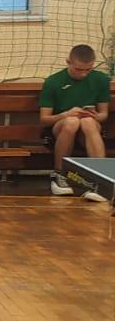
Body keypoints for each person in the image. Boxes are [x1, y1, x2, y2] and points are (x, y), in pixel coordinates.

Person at [39, 44, 110, 202]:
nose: (83, 74)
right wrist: (66, 114)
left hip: (89, 128)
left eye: (88, 69)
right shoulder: (53, 81)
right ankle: (60, 174)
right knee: (72, 122)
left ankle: (102, 181)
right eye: (79, 69)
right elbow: (44, 119)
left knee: (88, 122)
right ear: (68, 62)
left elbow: (104, 114)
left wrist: (95, 115)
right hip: (61, 127)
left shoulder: (101, 79)